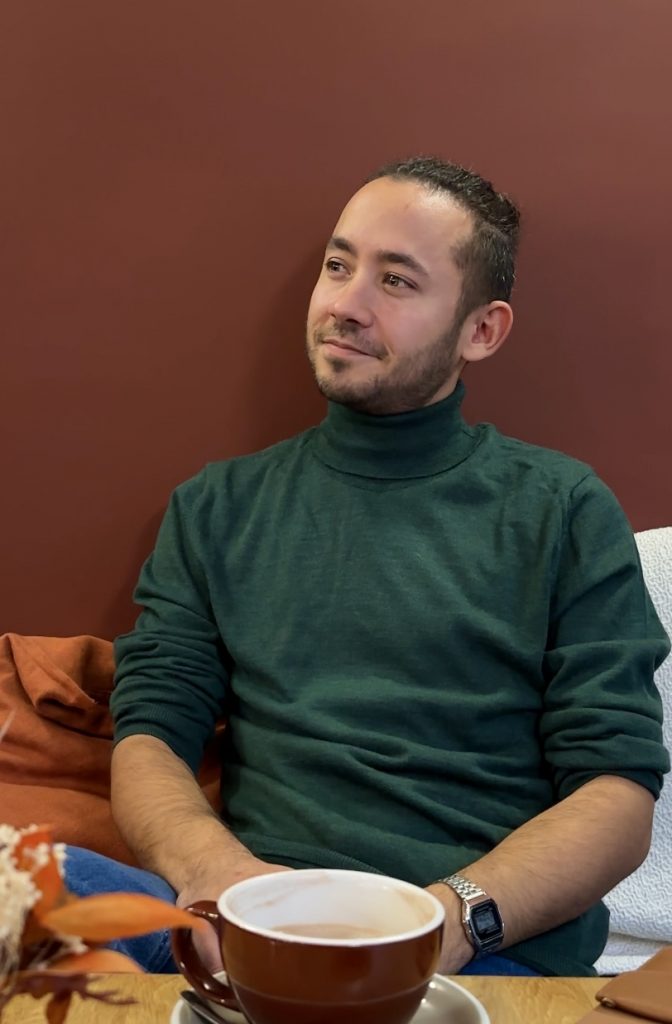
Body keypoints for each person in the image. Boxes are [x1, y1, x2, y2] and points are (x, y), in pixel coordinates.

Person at [66, 156, 669, 977]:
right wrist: (224, 881)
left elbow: (617, 791)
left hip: (478, 950)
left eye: (396, 281)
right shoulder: (218, 507)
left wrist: (447, 922)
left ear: (482, 331)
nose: (344, 305)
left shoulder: (561, 510)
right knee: (30, 882)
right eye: (338, 265)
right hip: (250, 924)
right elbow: (152, 738)